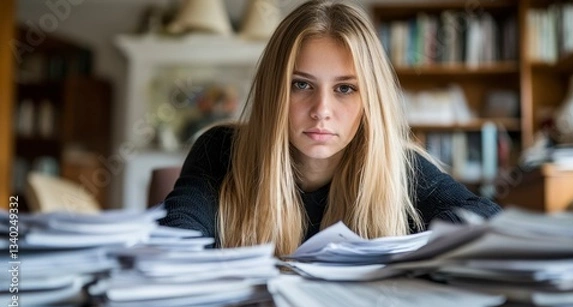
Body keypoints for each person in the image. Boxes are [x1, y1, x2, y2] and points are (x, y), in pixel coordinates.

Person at [160, 0, 501, 256]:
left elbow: (486, 219)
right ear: (273, 91)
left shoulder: (398, 166)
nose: (321, 111)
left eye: (345, 89)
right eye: (301, 85)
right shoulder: (220, 150)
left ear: (370, 99)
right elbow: (174, 242)